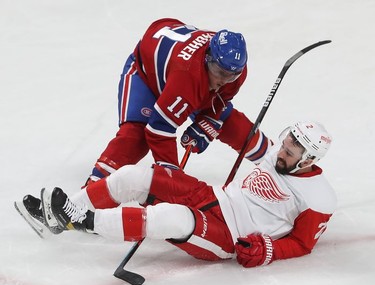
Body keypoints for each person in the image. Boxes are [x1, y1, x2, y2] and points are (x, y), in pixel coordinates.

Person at [17, 120, 336, 268]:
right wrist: (207, 127)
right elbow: (237, 130)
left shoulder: (319, 196)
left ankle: (80, 220)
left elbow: (302, 244)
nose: (282, 151)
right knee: (135, 176)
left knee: (171, 218)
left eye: (292, 150)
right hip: (211, 195)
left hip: (229, 235)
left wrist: (268, 250)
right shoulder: (276, 154)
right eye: (285, 142)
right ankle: (59, 213)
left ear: (309, 160)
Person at [83, 18, 271, 185]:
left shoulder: (235, 71)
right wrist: (172, 181)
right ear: (208, 58)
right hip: (146, 73)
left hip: (178, 69)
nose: (224, 80)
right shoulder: (187, 76)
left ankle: (279, 165)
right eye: (220, 72)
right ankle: (93, 190)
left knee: (230, 124)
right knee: (136, 136)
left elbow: (221, 99)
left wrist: (212, 119)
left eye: (231, 76)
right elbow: (159, 129)